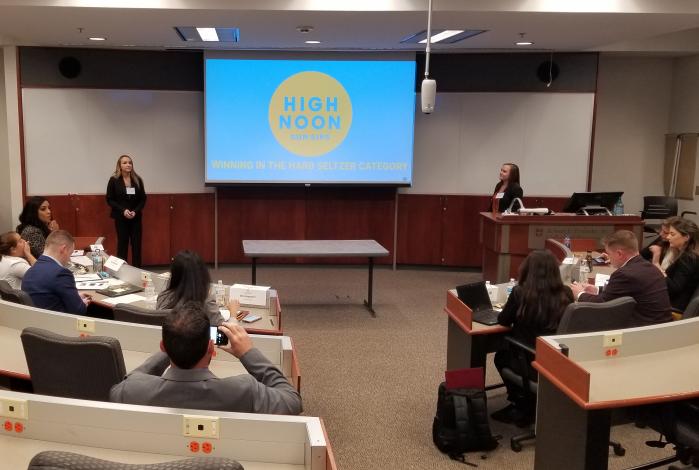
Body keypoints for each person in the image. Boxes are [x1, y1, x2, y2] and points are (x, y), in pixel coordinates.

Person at [109, 301, 302, 415]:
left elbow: (123, 386)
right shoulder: (244, 390)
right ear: (211, 347)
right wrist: (248, 353)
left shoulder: (131, 390)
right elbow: (293, 401)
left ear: (162, 347)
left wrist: (172, 347)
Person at [492, 250, 574, 426]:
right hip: (556, 360)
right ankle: (530, 401)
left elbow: (503, 320)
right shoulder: (566, 293)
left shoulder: (520, 293)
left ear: (527, 270)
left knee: (500, 357)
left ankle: (520, 404)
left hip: (529, 361)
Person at [571, 230, 672, 326]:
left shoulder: (625, 274)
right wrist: (597, 290)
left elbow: (602, 305)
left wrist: (579, 294)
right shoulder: (648, 267)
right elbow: (623, 292)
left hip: (644, 329)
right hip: (661, 324)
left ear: (619, 254)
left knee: (582, 319)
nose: (608, 258)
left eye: (609, 254)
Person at [22, 230, 91, 314]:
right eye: (70, 254)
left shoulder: (31, 270)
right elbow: (78, 311)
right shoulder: (61, 273)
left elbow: (48, 296)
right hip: (58, 324)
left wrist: (75, 296)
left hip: (37, 321)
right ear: (64, 249)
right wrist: (82, 303)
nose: (69, 260)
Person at [157, 250, 225, 325]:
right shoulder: (205, 301)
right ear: (201, 273)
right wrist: (233, 315)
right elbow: (223, 328)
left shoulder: (163, 297)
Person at [106, 154, 147, 267]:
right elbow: (109, 199)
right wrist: (123, 210)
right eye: (124, 163)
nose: (128, 164)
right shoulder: (114, 180)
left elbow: (143, 199)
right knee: (122, 245)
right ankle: (121, 271)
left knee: (136, 245)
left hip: (135, 218)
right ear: (119, 166)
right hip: (121, 218)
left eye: (130, 162)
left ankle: (137, 270)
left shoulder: (138, 179)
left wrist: (136, 211)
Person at [652, 217, 699, 312]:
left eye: (672, 234)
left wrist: (656, 265)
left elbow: (673, 289)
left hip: (673, 309)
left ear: (686, 237)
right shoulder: (685, 254)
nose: (668, 237)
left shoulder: (689, 258)